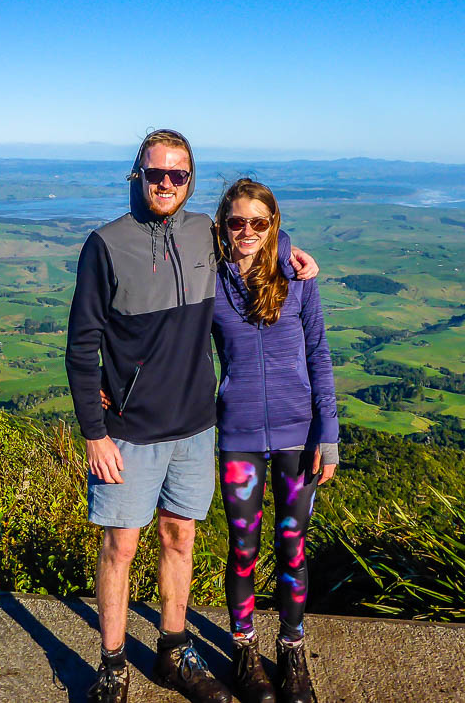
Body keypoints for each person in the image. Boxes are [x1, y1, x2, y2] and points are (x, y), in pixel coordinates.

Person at [66, 130, 318, 703]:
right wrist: (93, 432)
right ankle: (111, 663)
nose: (165, 184)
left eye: (177, 175)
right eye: (155, 173)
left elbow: (251, 235)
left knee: (180, 538)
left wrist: (292, 255)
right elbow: (82, 345)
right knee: (120, 547)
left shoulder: (206, 230)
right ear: (138, 174)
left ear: (190, 180)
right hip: (128, 431)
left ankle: (173, 651)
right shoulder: (104, 245)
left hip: (197, 427)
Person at [210, 178, 338, 703]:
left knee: (292, 548)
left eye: (258, 223)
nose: (246, 232)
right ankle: (244, 649)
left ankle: (291, 648)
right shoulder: (208, 281)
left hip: (296, 435)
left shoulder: (299, 279)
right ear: (222, 225)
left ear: (273, 226)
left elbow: (319, 355)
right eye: (236, 222)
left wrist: (327, 434)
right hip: (237, 434)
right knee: (243, 551)